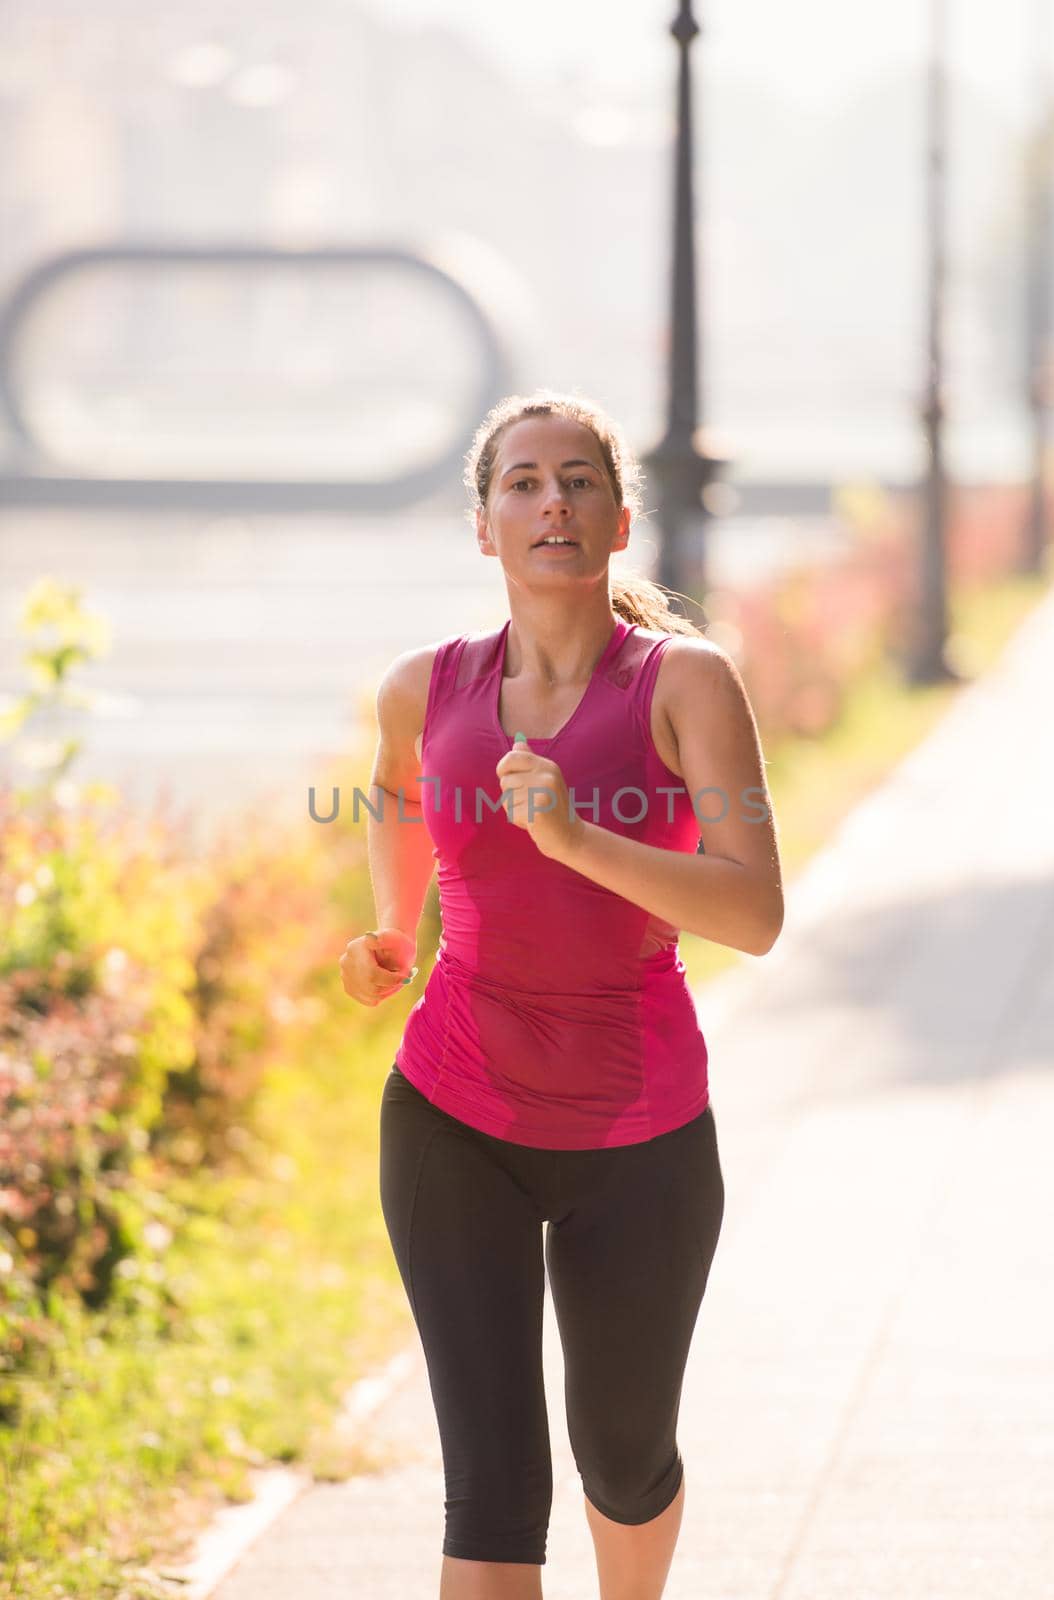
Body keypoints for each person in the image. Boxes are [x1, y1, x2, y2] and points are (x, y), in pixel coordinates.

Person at [340, 389, 783, 1600]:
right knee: (490, 1490)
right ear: (484, 525)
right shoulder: (419, 685)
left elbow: (752, 912)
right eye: (523, 482)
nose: (552, 501)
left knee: (623, 1458)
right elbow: (394, 788)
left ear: (619, 519)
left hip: (638, 1135)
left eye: (578, 480)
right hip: (450, 1113)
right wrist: (393, 927)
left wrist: (579, 840)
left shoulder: (683, 683)